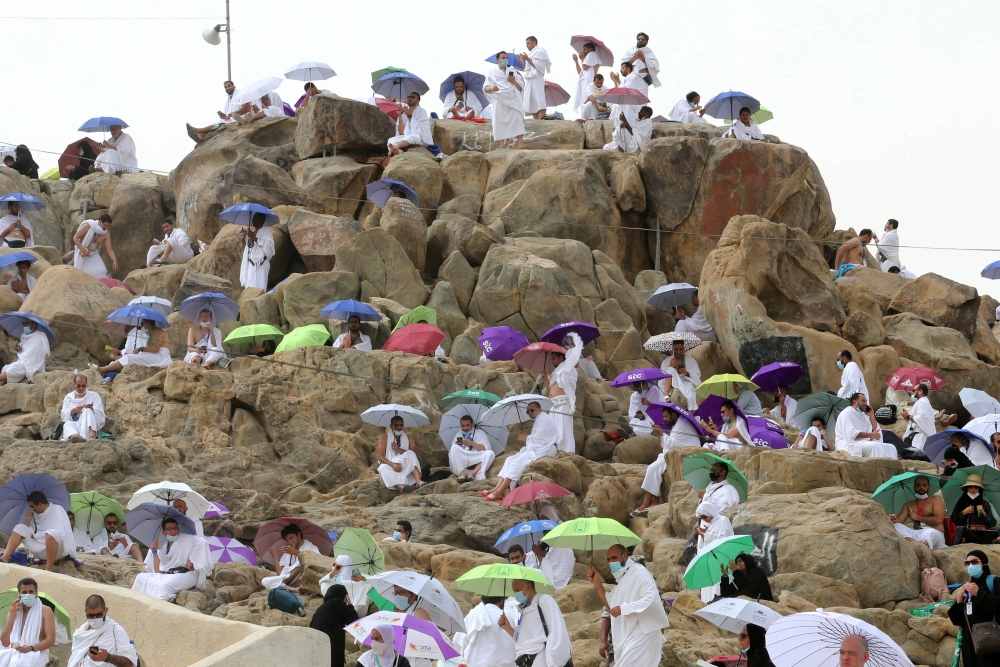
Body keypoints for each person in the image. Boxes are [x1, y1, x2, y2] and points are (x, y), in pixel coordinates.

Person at [587, 545, 668, 667]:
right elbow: (611, 604)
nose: (611, 562)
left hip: (645, 631)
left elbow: (650, 598)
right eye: (609, 559)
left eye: (614, 558)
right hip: (632, 634)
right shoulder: (624, 579)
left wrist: (624, 608)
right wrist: (596, 583)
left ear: (624, 556)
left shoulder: (639, 572)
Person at [633, 407, 702, 516]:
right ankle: (654, 501)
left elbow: (673, 444)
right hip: (675, 452)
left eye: (666, 416)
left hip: (684, 455)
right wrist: (663, 437)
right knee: (656, 467)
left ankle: (646, 503)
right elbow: (672, 442)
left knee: (652, 468)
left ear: (674, 415)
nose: (664, 419)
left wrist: (661, 434)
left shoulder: (681, 424)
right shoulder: (678, 423)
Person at [482, 402, 557, 501]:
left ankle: (498, 492)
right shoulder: (540, 419)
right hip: (538, 447)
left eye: (532, 410)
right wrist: (528, 438)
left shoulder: (544, 419)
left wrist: (527, 438)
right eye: (528, 411)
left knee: (516, 463)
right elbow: (539, 437)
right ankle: (496, 489)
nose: (529, 413)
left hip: (545, 449)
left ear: (539, 409)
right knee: (509, 459)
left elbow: (542, 439)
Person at [131, 517, 211, 602]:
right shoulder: (164, 547)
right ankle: (137, 602)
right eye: (169, 529)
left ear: (178, 529)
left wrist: (192, 560)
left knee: (165, 585)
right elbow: (159, 570)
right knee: (141, 577)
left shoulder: (186, 539)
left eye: (175, 528)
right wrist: (154, 552)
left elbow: (202, 542)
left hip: (188, 573)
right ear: (164, 532)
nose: (173, 532)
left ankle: (167, 600)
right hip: (169, 574)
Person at [948, 550, 1000, 667]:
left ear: (984, 564)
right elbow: (957, 620)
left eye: (974, 562)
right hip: (970, 642)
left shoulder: (994, 581)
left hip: (990, 639)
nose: (971, 565)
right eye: (968, 563)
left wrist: (979, 593)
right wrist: (959, 602)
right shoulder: (968, 587)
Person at [0, 491, 75, 572]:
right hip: (40, 546)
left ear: (40, 504)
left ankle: (48, 569)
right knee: (19, 527)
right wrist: (28, 519)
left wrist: (38, 536)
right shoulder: (35, 513)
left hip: (57, 550)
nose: (31, 508)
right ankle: (5, 558)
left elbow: (61, 532)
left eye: (32, 506)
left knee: (52, 534)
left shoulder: (57, 509)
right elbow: (26, 531)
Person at [511, 578, 571, 667]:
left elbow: (557, 629)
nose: (516, 594)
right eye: (514, 591)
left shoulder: (544, 600)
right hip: (523, 658)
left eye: (517, 590)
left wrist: (556, 660)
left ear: (529, 587)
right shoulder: (521, 609)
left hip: (541, 656)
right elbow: (521, 637)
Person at [0, 577, 56, 666]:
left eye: (31, 592)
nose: (28, 595)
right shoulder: (13, 612)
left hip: (37, 652)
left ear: (36, 594)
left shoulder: (45, 611)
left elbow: (51, 640)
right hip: (15, 651)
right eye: (24, 592)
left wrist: (31, 648)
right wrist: (11, 617)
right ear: (19, 595)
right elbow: (5, 643)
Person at [68, 594, 137, 667]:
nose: (95, 618)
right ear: (86, 612)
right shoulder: (80, 633)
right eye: (90, 616)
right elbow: (75, 661)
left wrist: (108, 657)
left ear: (105, 610)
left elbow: (129, 663)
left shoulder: (116, 630)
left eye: (98, 615)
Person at [544, 332, 583, 454]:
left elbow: (573, 362)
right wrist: (545, 379)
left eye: (554, 358)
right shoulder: (556, 372)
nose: (552, 360)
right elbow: (550, 392)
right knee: (553, 433)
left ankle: (569, 455)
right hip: (553, 406)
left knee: (565, 433)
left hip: (564, 405)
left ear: (561, 358)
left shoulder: (568, 369)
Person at [94, 319, 171, 374]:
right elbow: (149, 349)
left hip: (160, 358)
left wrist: (140, 349)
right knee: (131, 358)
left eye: (142, 324)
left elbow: (156, 349)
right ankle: (103, 369)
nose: (140, 326)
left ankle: (103, 369)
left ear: (147, 324)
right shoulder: (150, 334)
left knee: (128, 357)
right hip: (155, 357)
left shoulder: (157, 331)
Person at [889, 475, 946, 549]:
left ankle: (920, 546)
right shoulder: (908, 504)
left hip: (934, 532)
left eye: (924, 485)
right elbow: (900, 520)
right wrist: (895, 519)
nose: (921, 487)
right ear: (914, 487)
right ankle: (916, 544)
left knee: (930, 533)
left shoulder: (936, 500)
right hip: (916, 534)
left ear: (928, 487)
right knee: (896, 525)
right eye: (918, 485)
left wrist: (918, 517)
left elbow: (939, 520)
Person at [693, 502, 734, 602]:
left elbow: (722, 539)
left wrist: (705, 535)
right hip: (711, 562)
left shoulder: (723, 520)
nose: (704, 520)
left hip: (721, 562)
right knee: (709, 589)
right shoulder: (710, 525)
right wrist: (705, 533)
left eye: (704, 517)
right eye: (702, 518)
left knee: (719, 587)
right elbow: (705, 545)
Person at [310, 584, 359, 667]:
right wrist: (350, 604)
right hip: (332, 644)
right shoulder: (337, 602)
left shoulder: (322, 607)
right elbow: (353, 621)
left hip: (317, 645)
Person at [484, 51, 525, 149]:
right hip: (499, 99)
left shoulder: (512, 71)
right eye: (502, 58)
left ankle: (520, 144)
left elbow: (520, 88)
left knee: (518, 118)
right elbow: (485, 88)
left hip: (512, 99)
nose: (505, 60)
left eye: (506, 58)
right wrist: (492, 88)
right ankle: (501, 144)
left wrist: (514, 81)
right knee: (498, 121)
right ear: (497, 59)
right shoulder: (492, 72)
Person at [261, 523, 320, 591]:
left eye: (291, 538)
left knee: (302, 561)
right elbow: (280, 575)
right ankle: (293, 589)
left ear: (299, 535)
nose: (290, 541)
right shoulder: (287, 550)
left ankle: (281, 586)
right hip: (287, 583)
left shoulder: (310, 546)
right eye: (287, 540)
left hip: (303, 581)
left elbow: (316, 559)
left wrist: (296, 552)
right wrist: (275, 558)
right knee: (265, 581)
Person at [187, 80, 252, 141]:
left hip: (241, 119)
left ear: (234, 86)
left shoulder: (240, 94)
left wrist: (231, 114)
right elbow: (228, 115)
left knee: (218, 123)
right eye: (225, 87)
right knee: (218, 122)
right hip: (231, 120)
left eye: (229, 86)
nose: (227, 88)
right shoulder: (229, 100)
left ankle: (197, 130)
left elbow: (246, 108)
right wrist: (225, 116)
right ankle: (201, 134)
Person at [835, 393, 896, 458]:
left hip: (862, 443)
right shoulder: (846, 413)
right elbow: (850, 434)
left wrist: (872, 415)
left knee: (891, 447)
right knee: (875, 446)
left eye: (866, 401)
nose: (866, 403)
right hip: (848, 445)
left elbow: (875, 430)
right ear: (855, 402)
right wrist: (872, 435)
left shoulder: (863, 415)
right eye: (863, 401)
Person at [462, 596, 516, 667]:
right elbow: (516, 643)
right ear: (501, 601)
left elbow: (459, 643)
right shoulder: (508, 618)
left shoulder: (472, 615)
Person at [377, 416, 425, 491]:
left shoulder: (409, 438)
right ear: (391, 426)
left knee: (411, 453)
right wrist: (393, 465)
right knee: (382, 468)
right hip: (390, 465)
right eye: (396, 425)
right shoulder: (384, 438)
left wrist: (399, 450)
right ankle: (403, 488)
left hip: (404, 466)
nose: (399, 427)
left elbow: (416, 455)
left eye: (401, 425)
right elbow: (380, 457)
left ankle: (418, 482)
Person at [951, 475, 1000, 544]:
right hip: (968, 530)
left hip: (983, 531)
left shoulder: (985, 503)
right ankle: (984, 542)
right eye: (970, 487)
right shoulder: (962, 502)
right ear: (967, 489)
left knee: (997, 530)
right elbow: (953, 520)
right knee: (961, 529)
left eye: (976, 487)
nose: (973, 489)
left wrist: (983, 512)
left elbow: (993, 523)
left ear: (979, 489)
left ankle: (976, 541)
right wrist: (964, 512)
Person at [0, 319, 49, 387]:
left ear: (34, 325)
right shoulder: (24, 335)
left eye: (27, 323)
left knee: (13, 368)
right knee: (6, 368)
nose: (25, 325)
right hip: (23, 360)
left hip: (31, 363)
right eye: (24, 324)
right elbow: (25, 349)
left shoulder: (40, 337)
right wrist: (19, 349)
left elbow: (34, 353)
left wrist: (20, 358)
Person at [449, 415, 495, 482]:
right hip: (463, 461)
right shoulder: (458, 434)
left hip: (476, 459)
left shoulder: (480, 433)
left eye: (467, 425)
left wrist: (472, 444)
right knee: (453, 447)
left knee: (490, 453)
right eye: (463, 426)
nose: (465, 428)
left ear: (472, 425)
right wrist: (458, 445)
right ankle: (462, 474)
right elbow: (452, 452)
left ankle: (472, 474)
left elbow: (486, 448)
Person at [60, 375, 105, 442]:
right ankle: (75, 436)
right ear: (74, 385)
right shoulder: (68, 397)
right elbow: (63, 415)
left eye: (83, 386)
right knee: (67, 424)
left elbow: (101, 415)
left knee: (87, 410)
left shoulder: (94, 396)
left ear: (86, 385)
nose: (81, 388)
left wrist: (91, 409)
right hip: (75, 424)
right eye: (78, 386)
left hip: (87, 426)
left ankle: (92, 436)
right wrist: (75, 410)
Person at [660, 339, 702, 410]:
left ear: (683, 349)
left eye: (680, 349)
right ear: (672, 349)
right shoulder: (666, 362)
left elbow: (697, 377)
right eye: (676, 349)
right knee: (670, 370)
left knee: (689, 389)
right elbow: (661, 380)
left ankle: (691, 410)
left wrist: (687, 373)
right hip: (672, 385)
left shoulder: (691, 360)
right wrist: (670, 366)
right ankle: (666, 394)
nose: (678, 352)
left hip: (686, 383)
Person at [71, 215, 117, 279]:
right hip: (83, 254)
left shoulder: (105, 233)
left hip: (94, 254)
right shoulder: (88, 226)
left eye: (108, 226)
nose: (106, 228)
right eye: (105, 225)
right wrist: (82, 250)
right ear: (100, 222)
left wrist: (114, 260)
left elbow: (109, 249)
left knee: (103, 271)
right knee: (85, 274)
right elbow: (75, 237)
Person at [238, 212, 274, 290]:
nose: (253, 219)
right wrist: (243, 239)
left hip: (260, 264)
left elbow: (269, 247)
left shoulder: (266, 231)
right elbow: (246, 252)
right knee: (249, 290)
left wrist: (253, 237)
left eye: (256, 218)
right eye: (253, 218)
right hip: (250, 266)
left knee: (259, 288)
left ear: (262, 220)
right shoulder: (253, 233)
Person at [519, 37, 551, 119]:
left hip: (537, 77)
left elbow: (539, 66)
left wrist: (527, 59)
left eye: (528, 43)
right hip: (530, 78)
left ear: (534, 42)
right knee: (531, 97)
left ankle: (543, 114)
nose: (527, 45)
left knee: (538, 95)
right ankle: (536, 117)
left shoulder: (540, 51)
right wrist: (522, 61)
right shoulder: (531, 53)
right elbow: (528, 68)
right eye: (526, 43)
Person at [900, 383, 934, 451]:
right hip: (915, 435)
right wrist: (907, 417)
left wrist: (908, 416)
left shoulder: (923, 403)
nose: (912, 393)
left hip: (920, 436)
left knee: (916, 456)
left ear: (920, 391)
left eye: (913, 390)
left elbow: (922, 418)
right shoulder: (921, 402)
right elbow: (917, 418)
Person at [572, 42, 602, 115]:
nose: (583, 51)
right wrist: (576, 61)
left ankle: (586, 117)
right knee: (584, 100)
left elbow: (585, 66)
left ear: (590, 49)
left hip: (588, 81)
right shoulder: (588, 58)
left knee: (587, 99)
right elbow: (580, 72)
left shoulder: (591, 54)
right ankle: (584, 117)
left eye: (585, 49)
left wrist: (582, 58)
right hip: (583, 81)